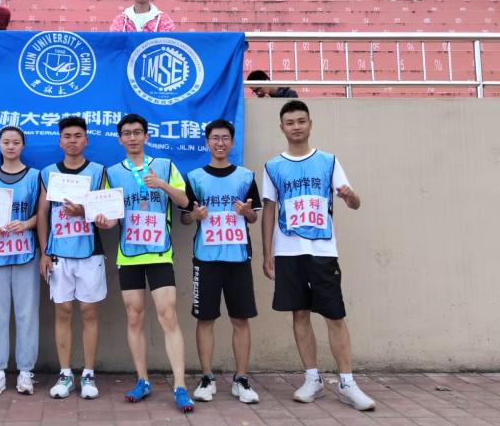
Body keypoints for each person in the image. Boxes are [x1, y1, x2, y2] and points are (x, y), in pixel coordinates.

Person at [261, 100, 375, 412]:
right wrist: (267, 253)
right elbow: (269, 209)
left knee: (334, 315)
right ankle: (312, 378)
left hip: (323, 252)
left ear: (310, 124)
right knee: (299, 314)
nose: (296, 127)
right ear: (282, 128)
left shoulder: (328, 161)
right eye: (290, 122)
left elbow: (354, 202)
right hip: (288, 252)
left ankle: (347, 382)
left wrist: (351, 197)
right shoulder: (273, 167)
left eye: (301, 121)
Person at [104, 114, 195, 413]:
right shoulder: (111, 173)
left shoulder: (165, 166)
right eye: (127, 133)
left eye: (137, 132)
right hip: (128, 254)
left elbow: (185, 202)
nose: (132, 137)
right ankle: (142, 380)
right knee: (134, 317)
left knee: (168, 316)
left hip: (159, 254)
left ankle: (180, 386)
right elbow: (111, 218)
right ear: (120, 139)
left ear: (146, 135)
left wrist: (161, 184)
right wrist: (104, 221)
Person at [181, 119, 261, 404]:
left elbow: (254, 216)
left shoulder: (245, 176)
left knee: (241, 318)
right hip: (206, 259)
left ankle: (241, 379)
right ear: (206, 142)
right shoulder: (195, 177)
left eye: (225, 138)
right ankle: (207, 378)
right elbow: (185, 217)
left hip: (238, 258)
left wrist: (247, 213)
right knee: (205, 319)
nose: (220, 143)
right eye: (215, 138)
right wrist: (195, 216)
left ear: (232, 142)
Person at [36, 116, 107, 400]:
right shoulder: (49, 173)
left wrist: (84, 212)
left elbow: (107, 212)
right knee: (63, 311)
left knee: (89, 312)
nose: (73, 140)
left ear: (86, 140)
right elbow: (42, 214)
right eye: (67, 136)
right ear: (60, 141)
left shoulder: (99, 172)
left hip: (90, 252)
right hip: (58, 254)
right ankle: (65, 374)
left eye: (78, 136)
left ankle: (88, 373)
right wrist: (44, 251)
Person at [0, 126, 41, 397]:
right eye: (6, 142)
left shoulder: (35, 176)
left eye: (16, 142)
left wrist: (26, 224)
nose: (11, 146)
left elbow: (43, 214)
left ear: (23, 146)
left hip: (26, 252)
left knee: (27, 312)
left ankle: (26, 371)